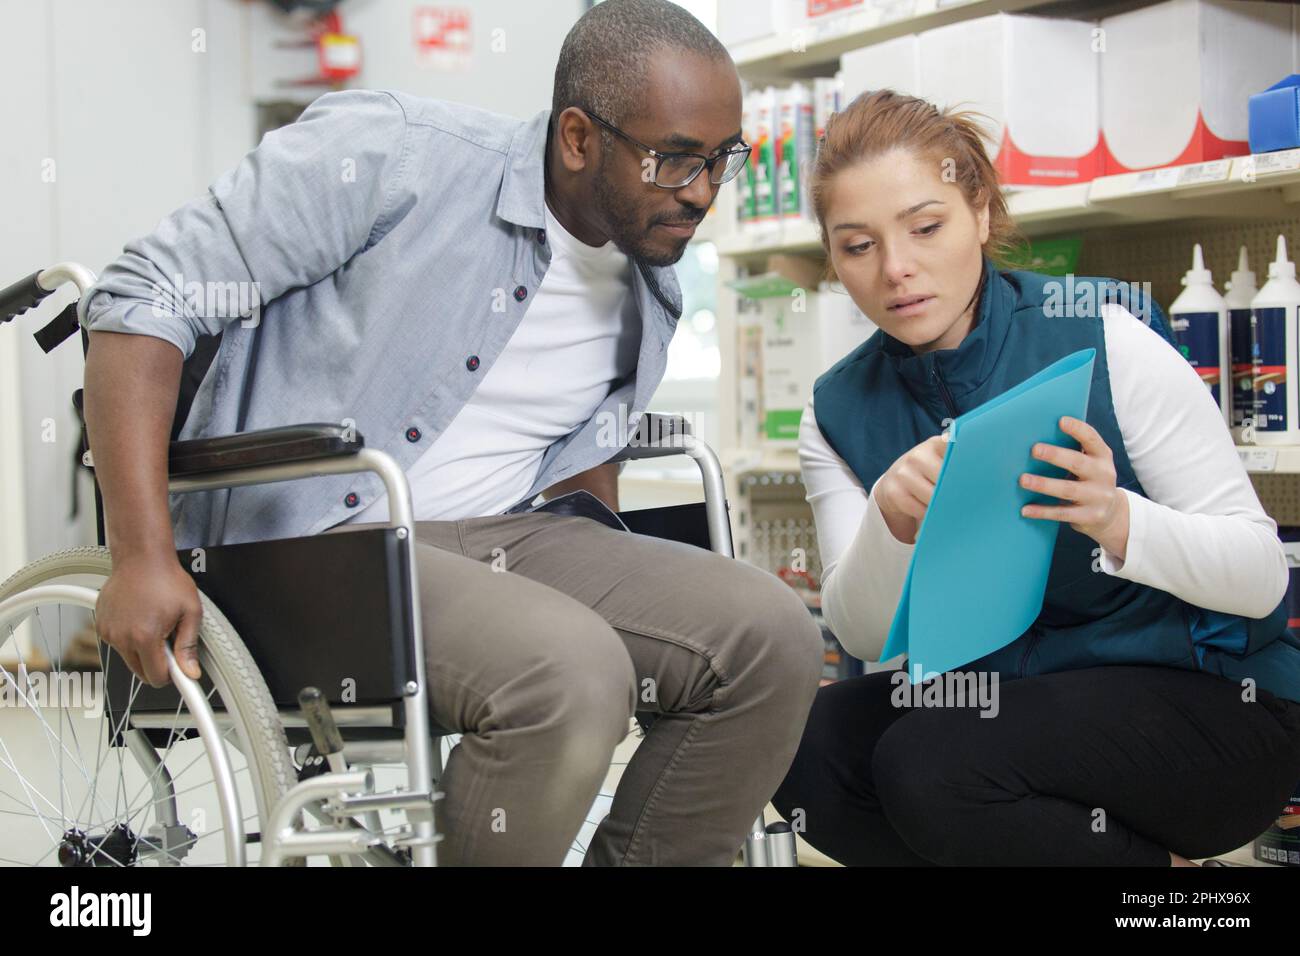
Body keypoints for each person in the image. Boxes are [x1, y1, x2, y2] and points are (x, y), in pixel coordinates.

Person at [80, 0, 824, 866]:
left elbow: (582, 474)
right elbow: (143, 296)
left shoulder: (650, 286)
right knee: (569, 673)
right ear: (579, 138)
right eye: (673, 161)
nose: (700, 192)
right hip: (316, 541)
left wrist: (639, 596)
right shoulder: (391, 154)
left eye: (721, 161)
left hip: (512, 537)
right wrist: (141, 554)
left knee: (772, 638)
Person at [771, 89, 1300, 866]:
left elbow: (1261, 578)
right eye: (858, 246)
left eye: (925, 227)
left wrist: (1119, 520)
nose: (897, 269)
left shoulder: (1104, 335)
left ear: (980, 213)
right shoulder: (838, 410)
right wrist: (890, 521)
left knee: (933, 765)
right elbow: (857, 630)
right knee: (804, 752)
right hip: (1013, 706)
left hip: (1211, 705)